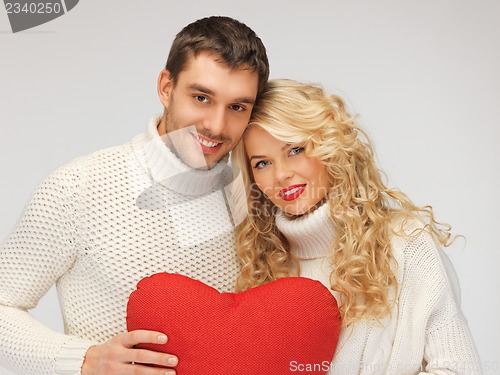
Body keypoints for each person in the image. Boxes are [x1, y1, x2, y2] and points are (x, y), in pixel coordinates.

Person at [0, 16, 269, 375]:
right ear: (165, 87)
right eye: (201, 97)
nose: (216, 126)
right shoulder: (78, 187)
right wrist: (83, 359)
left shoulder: (254, 198)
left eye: (237, 107)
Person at [231, 79, 482, 374]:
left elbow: (460, 368)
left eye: (295, 149)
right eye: (262, 163)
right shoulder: (258, 267)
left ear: (329, 148)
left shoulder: (406, 243)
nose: (282, 174)